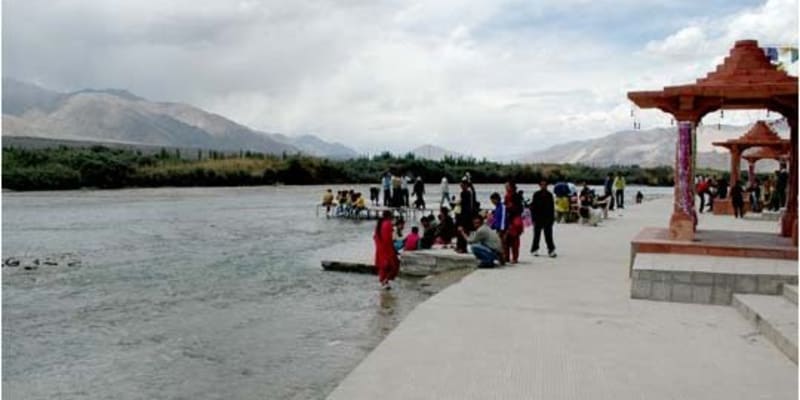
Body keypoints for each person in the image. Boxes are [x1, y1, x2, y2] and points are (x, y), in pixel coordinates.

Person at [530, 179, 556, 258]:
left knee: (548, 235)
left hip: (547, 218)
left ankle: (551, 250)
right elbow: (533, 207)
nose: (543, 186)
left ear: (547, 185)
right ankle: (534, 249)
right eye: (542, 184)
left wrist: (552, 219)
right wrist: (533, 218)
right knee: (536, 235)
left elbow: (552, 208)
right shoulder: (536, 194)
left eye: (545, 184)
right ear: (540, 185)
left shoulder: (549, 195)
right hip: (538, 218)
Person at [374, 210, 399, 290]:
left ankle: (384, 282)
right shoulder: (388, 224)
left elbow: (375, 237)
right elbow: (389, 239)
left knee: (383, 267)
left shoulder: (379, 224)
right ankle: (386, 280)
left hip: (380, 248)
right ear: (389, 216)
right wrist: (393, 248)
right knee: (394, 265)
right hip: (387, 248)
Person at [504, 181, 524, 264]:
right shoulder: (506, 196)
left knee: (514, 240)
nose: (506, 187)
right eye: (505, 186)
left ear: (512, 187)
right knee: (506, 240)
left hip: (514, 220)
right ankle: (506, 257)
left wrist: (510, 207)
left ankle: (515, 258)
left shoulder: (516, 196)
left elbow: (519, 209)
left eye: (507, 186)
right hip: (508, 219)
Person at [455, 179, 475, 253]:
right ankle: (461, 247)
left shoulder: (465, 193)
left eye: (463, 185)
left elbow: (465, 205)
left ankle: (462, 247)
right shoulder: (467, 193)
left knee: (462, 231)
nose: (461, 186)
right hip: (465, 214)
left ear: (466, 185)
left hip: (464, 215)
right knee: (462, 231)